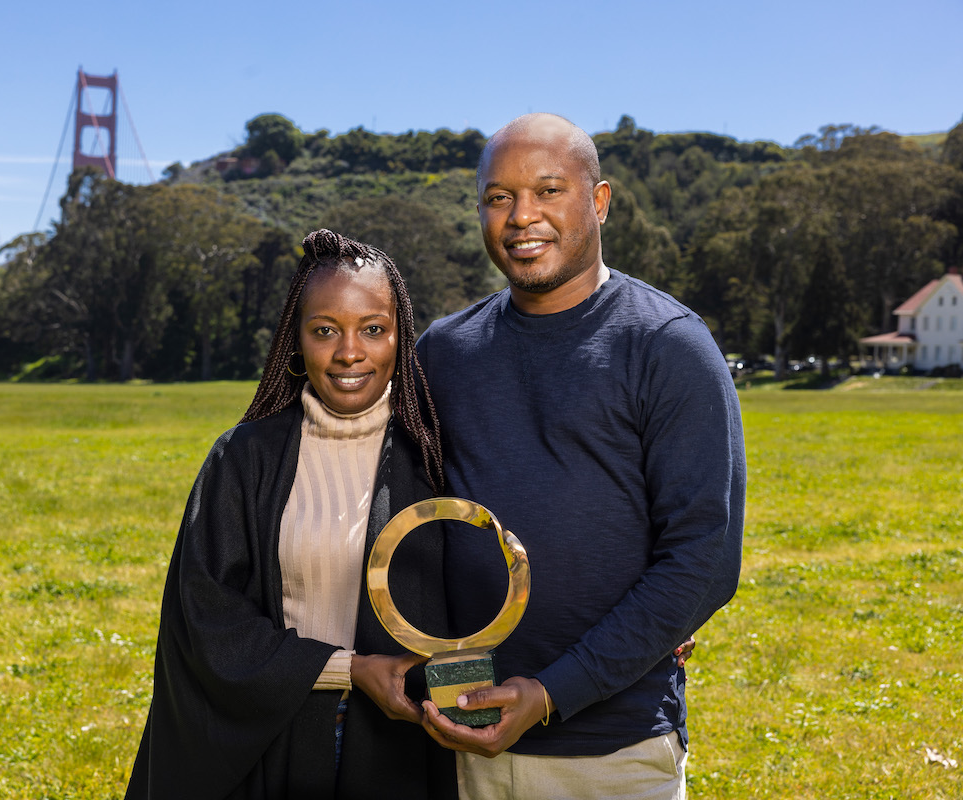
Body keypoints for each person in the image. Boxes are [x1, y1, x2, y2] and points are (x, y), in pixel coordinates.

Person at [415, 113, 746, 799]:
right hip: (464, 743)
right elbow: (403, 523)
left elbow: (702, 561)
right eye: (498, 197)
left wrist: (549, 694)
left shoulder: (669, 346)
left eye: (548, 191)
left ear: (599, 202)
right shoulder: (442, 352)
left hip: (614, 753)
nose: (520, 217)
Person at [124, 229, 456, 800]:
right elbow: (205, 618)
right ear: (295, 340)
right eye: (325, 330)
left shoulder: (432, 458)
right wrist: (347, 670)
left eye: (373, 329)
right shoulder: (244, 458)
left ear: (401, 337)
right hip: (271, 746)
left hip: (395, 755)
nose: (349, 352)